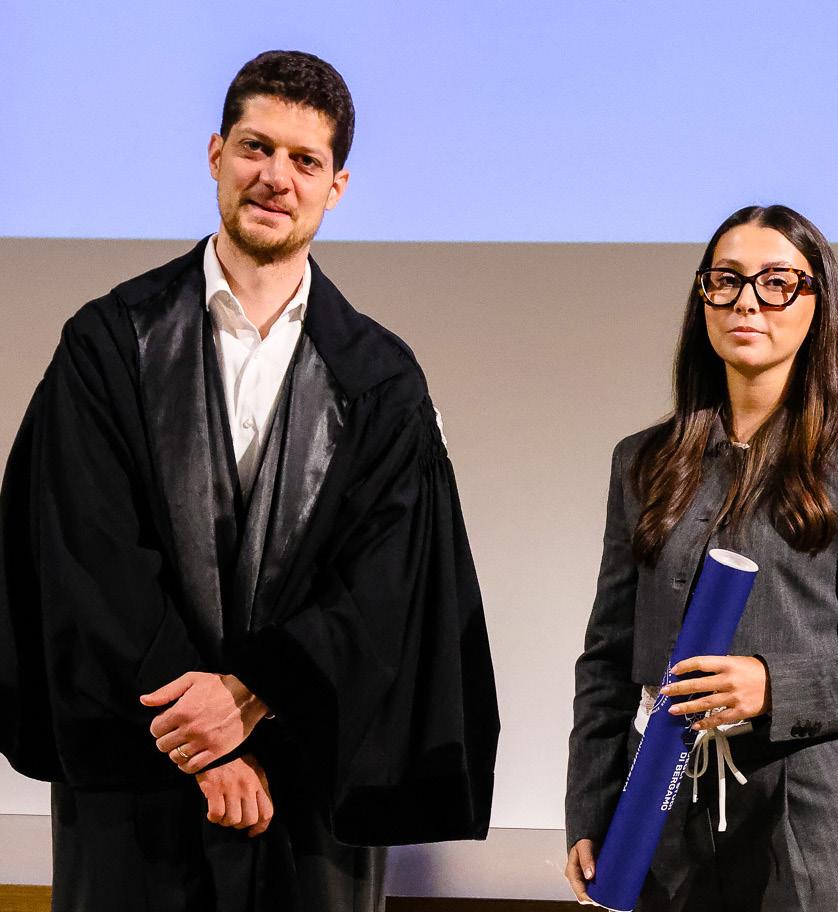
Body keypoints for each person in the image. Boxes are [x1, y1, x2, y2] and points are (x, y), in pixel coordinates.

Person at [0, 50, 499, 911]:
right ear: (215, 154)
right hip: (139, 780)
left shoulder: (381, 379)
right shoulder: (109, 342)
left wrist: (254, 696)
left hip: (303, 789)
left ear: (336, 187)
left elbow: (385, 589)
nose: (276, 177)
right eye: (255, 148)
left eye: (305, 160)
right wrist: (204, 743)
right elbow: (85, 555)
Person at [564, 204, 838, 910]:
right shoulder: (643, 460)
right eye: (726, 280)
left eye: (776, 283)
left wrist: (773, 686)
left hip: (805, 815)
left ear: (816, 303)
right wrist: (589, 808)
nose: (746, 301)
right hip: (659, 813)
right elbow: (607, 656)